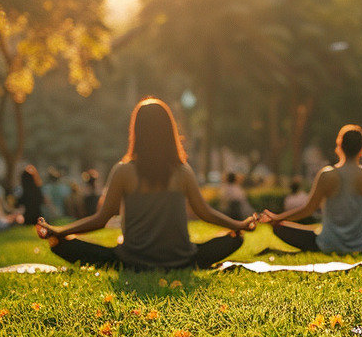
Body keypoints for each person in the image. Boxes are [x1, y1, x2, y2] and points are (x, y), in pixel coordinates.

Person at [36, 98, 254, 270]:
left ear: (137, 132)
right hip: (181, 260)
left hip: (132, 260)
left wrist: (59, 232)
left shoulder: (123, 171)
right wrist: (238, 226)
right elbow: (205, 213)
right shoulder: (182, 172)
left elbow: (101, 219)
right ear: (169, 132)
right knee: (235, 240)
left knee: (59, 244)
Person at [258, 124, 362, 253]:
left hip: (328, 243)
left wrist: (277, 219)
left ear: (339, 147)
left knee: (278, 229)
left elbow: (307, 210)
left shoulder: (326, 175)